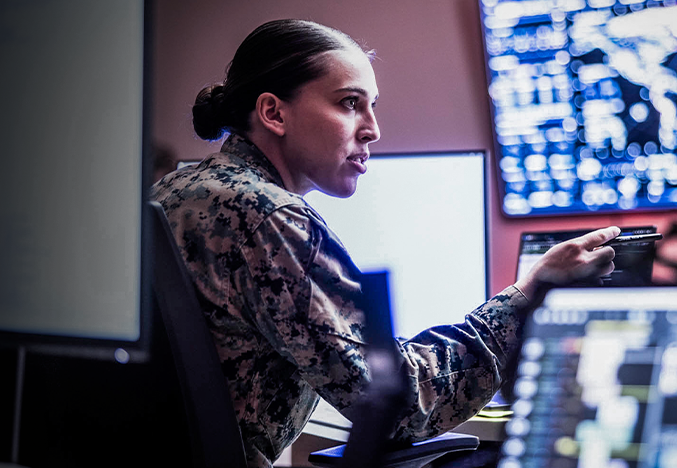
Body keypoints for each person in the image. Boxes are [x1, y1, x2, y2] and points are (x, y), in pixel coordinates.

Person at [149, 19, 620, 467]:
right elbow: (402, 402)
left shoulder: (176, 191)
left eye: (373, 105)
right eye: (350, 103)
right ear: (273, 112)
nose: (373, 128)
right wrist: (526, 294)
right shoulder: (268, 216)